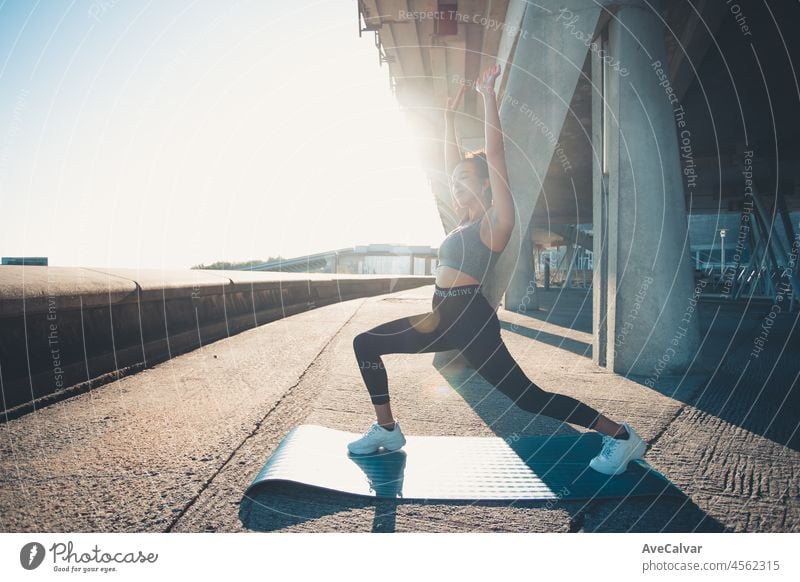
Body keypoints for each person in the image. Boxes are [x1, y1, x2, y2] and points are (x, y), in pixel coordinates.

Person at [347, 64, 646, 476]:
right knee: (366, 344)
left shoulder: (495, 221)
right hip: (439, 317)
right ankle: (387, 430)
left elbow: (495, 155)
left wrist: (487, 95)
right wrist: (449, 117)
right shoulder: (461, 222)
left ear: (486, 184)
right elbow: (449, 159)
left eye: (465, 178)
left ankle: (622, 436)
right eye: (453, 180)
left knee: (527, 398)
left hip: (470, 319)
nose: (455, 184)